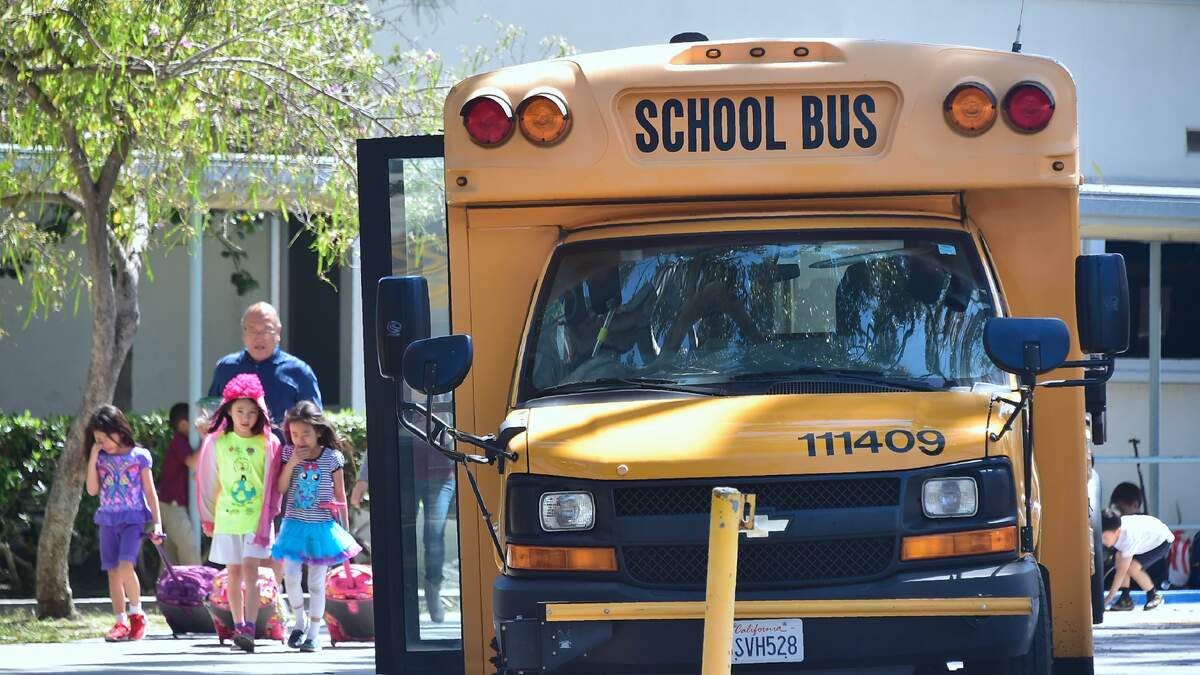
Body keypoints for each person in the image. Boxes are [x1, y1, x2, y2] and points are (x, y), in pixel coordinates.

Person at [196, 373, 283, 653]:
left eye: (251, 412)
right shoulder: (217, 443)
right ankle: (238, 624)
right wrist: (208, 516)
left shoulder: (269, 444)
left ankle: (249, 627)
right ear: (229, 412)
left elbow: (273, 486)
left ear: (260, 413)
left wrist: (269, 516)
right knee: (232, 572)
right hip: (227, 517)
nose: (246, 417)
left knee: (250, 569)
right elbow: (207, 482)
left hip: (257, 520)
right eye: (239, 411)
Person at [271, 401, 362, 652]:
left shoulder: (332, 457)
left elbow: (340, 495)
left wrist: (344, 530)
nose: (299, 439)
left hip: (322, 528)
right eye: (295, 434)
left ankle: (313, 633)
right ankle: (299, 623)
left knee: (316, 582)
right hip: (294, 525)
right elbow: (280, 488)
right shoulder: (289, 453)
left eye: (305, 434)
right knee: (290, 576)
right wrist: (290, 465)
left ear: (319, 432)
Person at [84, 405, 164, 642]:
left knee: (125, 565)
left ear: (119, 430)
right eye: (97, 439)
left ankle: (136, 615)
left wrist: (157, 524)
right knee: (112, 571)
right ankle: (120, 622)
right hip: (107, 519)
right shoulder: (100, 459)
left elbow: (150, 492)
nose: (103, 443)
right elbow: (91, 490)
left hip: (133, 519)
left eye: (106, 437)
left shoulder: (139, 456)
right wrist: (92, 457)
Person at [208, 302, 322, 425]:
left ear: (278, 332)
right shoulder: (226, 368)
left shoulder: (299, 371)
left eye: (266, 330)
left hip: (281, 443)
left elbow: (314, 423)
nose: (259, 337)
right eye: (252, 330)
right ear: (244, 333)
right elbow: (211, 412)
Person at [1102, 507, 1174, 611]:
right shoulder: (1117, 532)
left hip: (1162, 540)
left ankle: (1154, 595)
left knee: (1131, 568)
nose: (1103, 541)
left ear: (1117, 532)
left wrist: (1107, 600)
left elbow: (1121, 573)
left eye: (1105, 538)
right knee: (1121, 562)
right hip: (1145, 538)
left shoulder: (1128, 538)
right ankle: (1125, 599)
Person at [157, 402, 201, 565]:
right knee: (189, 546)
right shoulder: (179, 441)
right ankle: (197, 585)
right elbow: (192, 462)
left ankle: (168, 586)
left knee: (171, 552)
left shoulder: (182, 441)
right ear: (183, 424)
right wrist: (206, 439)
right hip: (172, 506)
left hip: (171, 504)